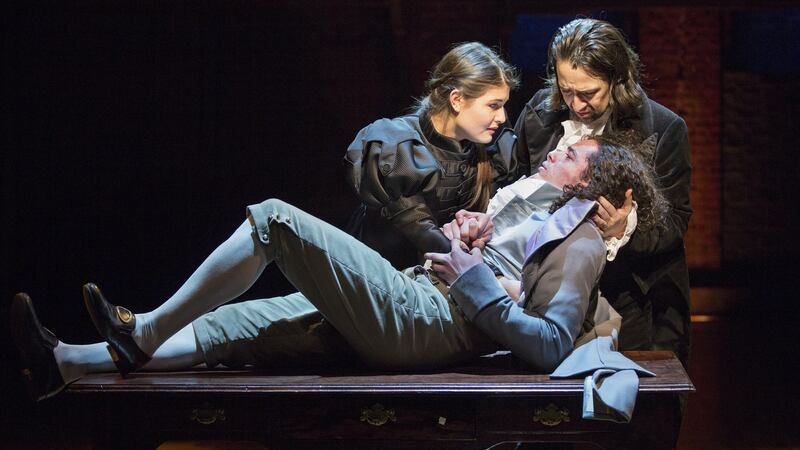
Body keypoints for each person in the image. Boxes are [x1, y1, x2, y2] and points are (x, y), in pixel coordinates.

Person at [11, 138, 665, 402]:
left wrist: (473, 276)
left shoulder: (578, 247)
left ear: (593, 181)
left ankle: (143, 332)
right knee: (237, 324)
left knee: (273, 222)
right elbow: (492, 273)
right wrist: (468, 239)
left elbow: (549, 344)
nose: (558, 149)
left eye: (575, 152)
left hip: (429, 322)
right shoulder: (547, 223)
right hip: (422, 301)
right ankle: (66, 361)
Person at [514, 18, 692, 367]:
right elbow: (509, 183)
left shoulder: (664, 129)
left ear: (617, 79)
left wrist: (623, 231)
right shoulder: (539, 115)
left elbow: (676, 221)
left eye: (589, 92)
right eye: (566, 90)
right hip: (545, 291)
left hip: (630, 296)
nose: (576, 103)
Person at [344, 41, 529, 269]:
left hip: (440, 280)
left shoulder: (490, 150)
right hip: (377, 277)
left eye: (503, 105)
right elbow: (423, 235)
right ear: (457, 100)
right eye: (493, 105)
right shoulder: (398, 145)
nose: (502, 117)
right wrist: (481, 272)